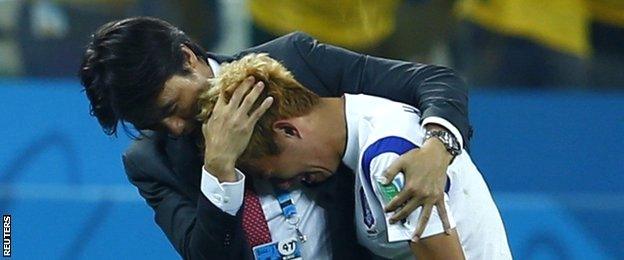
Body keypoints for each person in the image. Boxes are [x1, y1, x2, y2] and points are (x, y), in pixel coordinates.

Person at [78, 17, 472, 259]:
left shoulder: (293, 63)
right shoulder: (151, 161)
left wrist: (438, 146)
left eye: (169, 108)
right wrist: (217, 172)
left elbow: (432, 81)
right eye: (154, 124)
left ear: (187, 58)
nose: (176, 129)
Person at [198, 53, 512, 259]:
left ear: (288, 131)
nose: (285, 184)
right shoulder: (373, 124)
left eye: (271, 172)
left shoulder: (388, 162)